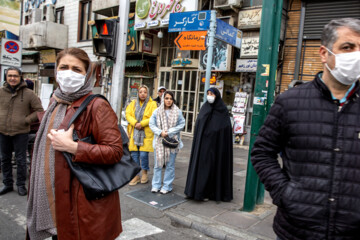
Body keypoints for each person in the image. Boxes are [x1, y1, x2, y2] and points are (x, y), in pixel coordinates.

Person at [251, 18, 360, 240]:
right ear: (324, 53)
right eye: (347, 47)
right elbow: (262, 152)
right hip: (297, 230)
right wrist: (285, 193)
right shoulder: (290, 102)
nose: (356, 55)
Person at [26, 48, 123, 240]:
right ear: (56, 71)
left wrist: (73, 147)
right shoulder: (56, 101)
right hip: (55, 196)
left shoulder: (97, 106)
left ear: (86, 75)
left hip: (80, 202)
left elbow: (114, 151)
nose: (69, 73)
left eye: (76, 69)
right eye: (64, 67)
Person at [0, 67, 43, 196]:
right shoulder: (1, 92)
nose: (12, 78)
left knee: (21, 159)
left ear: (20, 78)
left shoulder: (29, 94)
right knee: (4, 159)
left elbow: (40, 111)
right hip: (2, 131)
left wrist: (26, 120)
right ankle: (7, 184)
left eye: (15, 76)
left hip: (21, 132)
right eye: (10, 76)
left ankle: (20, 185)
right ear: (6, 77)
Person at [184, 88, 233, 202]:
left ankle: (208, 193)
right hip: (203, 145)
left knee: (212, 168)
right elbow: (199, 124)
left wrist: (214, 132)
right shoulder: (204, 108)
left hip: (216, 146)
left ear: (217, 95)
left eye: (212, 94)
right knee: (201, 168)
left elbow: (225, 128)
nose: (209, 96)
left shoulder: (223, 110)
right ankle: (196, 191)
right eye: (208, 94)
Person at [149, 91, 185, 194]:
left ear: (173, 100)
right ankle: (156, 185)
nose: (168, 101)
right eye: (166, 98)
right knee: (158, 165)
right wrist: (160, 132)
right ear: (163, 99)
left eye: (170, 98)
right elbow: (152, 124)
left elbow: (182, 124)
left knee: (170, 165)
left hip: (172, 142)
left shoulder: (177, 111)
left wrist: (169, 132)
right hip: (159, 141)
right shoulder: (157, 111)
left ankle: (167, 186)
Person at [126, 85, 157, 185]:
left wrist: (142, 124)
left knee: (143, 155)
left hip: (145, 133)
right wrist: (135, 123)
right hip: (134, 132)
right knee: (134, 155)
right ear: (138, 93)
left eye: (145, 92)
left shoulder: (152, 104)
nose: (142, 94)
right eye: (141, 92)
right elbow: (128, 114)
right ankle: (136, 175)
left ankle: (144, 173)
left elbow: (153, 116)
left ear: (148, 93)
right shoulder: (133, 103)